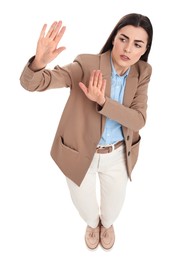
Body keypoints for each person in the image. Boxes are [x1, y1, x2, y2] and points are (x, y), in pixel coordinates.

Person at [20, 13, 153, 250]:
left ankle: (107, 224)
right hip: (79, 152)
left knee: (112, 210)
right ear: (114, 38)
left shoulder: (142, 72)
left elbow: (138, 119)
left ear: (144, 50)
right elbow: (33, 83)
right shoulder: (86, 64)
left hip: (118, 156)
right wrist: (39, 63)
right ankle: (93, 225)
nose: (128, 49)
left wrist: (103, 102)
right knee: (86, 208)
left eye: (137, 44)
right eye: (123, 39)